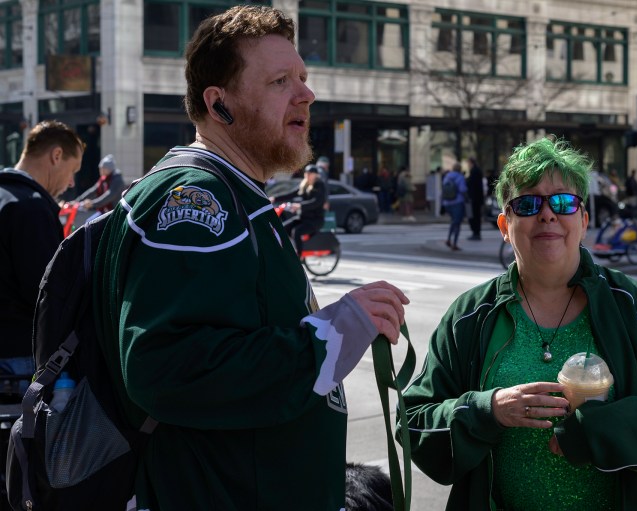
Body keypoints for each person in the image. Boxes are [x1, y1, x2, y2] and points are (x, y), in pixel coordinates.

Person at [91, 6, 409, 510]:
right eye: (280, 81)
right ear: (220, 105)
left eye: (303, 77)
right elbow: (167, 370)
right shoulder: (199, 202)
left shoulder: (232, 194)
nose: (306, 93)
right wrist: (332, 335)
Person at [397, 137, 637, 510]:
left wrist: (594, 431)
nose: (547, 215)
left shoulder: (631, 307)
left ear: (583, 220)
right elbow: (413, 422)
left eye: (563, 202)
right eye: (528, 204)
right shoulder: (471, 315)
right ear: (505, 224)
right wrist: (488, 410)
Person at [0, 120, 84, 393]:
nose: (71, 183)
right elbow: (46, 293)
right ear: (56, 155)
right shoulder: (31, 208)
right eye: (73, 171)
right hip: (18, 356)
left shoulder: (7, 198)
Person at [283, 164, 328, 256]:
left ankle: (299, 256)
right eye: (306, 173)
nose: (307, 175)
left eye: (310, 173)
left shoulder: (319, 185)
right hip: (303, 218)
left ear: (316, 175)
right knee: (283, 228)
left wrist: (300, 206)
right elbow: (291, 194)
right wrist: (274, 198)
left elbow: (316, 202)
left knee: (296, 231)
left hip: (315, 220)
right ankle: (290, 249)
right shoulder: (304, 185)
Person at [442, 162, 467, 250]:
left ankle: (448, 239)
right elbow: (462, 189)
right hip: (457, 202)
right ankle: (454, 244)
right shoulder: (460, 177)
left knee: (453, 221)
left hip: (447, 203)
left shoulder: (447, 176)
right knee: (457, 223)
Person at [466, 157, 484, 240]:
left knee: (474, 216)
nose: (467, 165)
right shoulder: (476, 171)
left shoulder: (474, 171)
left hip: (474, 198)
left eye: (468, 163)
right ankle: (476, 232)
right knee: (476, 215)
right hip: (477, 198)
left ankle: (476, 233)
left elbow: (472, 185)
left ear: (471, 163)